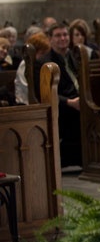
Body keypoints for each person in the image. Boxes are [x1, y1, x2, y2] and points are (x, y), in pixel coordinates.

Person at [35, 23, 82, 168]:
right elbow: (44, 93)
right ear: (50, 39)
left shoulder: (75, 56)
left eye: (65, 34)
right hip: (61, 107)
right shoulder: (44, 63)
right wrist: (70, 102)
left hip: (80, 101)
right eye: (58, 35)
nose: (63, 38)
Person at [15, 32, 49, 105]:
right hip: (25, 104)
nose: (44, 57)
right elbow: (28, 91)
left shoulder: (42, 64)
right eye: (42, 53)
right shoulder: (25, 65)